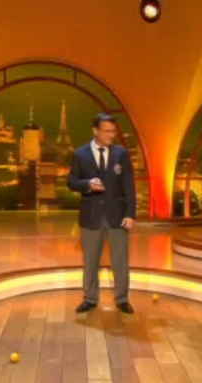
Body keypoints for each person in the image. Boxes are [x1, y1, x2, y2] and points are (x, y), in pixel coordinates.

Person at [67, 113, 136, 314]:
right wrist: (87, 185)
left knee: (120, 260)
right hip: (91, 216)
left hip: (117, 216)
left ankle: (122, 299)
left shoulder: (121, 154)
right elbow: (71, 182)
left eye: (113, 131)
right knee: (90, 261)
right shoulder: (80, 154)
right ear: (95, 131)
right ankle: (90, 298)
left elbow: (128, 186)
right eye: (107, 131)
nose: (111, 135)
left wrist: (130, 214)